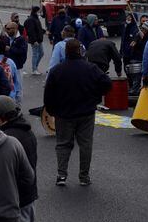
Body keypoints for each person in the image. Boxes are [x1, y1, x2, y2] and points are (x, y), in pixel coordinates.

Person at [43, 39, 111, 186]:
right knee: (85, 144)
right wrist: (95, 97)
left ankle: (62, 175)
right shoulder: (90, 68)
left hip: (64, 113)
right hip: (86, 112)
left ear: (65, 51)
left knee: (63, 144)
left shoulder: (57, 70)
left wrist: (51, 110)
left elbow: (48, 94)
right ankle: (84, 176)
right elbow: (107, 83)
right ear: (80, 51)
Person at [23, 8, 46, 75]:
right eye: (39, 11)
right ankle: (34, 69)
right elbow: (31, 31)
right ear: (36, 11)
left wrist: (44, 31)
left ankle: (35, 67)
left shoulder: (35, 18)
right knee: (35, 54)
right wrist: (34, 40)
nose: (40, 12)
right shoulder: (31, 19)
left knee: (41, 53)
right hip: (35, 40)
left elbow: (38, 28)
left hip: (39, 39)